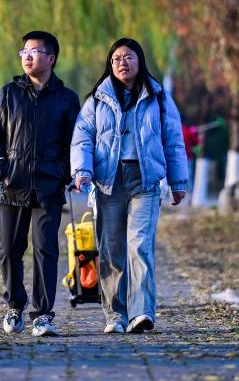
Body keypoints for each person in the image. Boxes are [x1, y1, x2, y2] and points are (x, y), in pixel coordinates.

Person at [71, 38, 189, 334]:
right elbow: (82, 137)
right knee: (111, 249)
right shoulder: (97, 99)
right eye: (116, 59)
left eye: (129, 57)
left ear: (140, 61)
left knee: (140, 246)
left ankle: (141, 313)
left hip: (145, 179)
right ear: (110, 65)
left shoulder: (158, 96)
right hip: (108, 180)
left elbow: (173, 140)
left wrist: (178, 181)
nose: (123, 62)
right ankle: (115, 315)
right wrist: (82, 170)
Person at [0, 30, 81, 337]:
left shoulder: (66, 99)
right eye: (24, 51)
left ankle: (43, 315)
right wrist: (2, 166)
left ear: (51, 58)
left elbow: (75, 143)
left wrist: (63, 174)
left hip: (48, 187)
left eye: (34, 51)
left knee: (45, 250)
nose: (27, 56)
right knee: (9, 250)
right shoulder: (9, 93)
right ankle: (15, 307)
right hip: (13, 186)